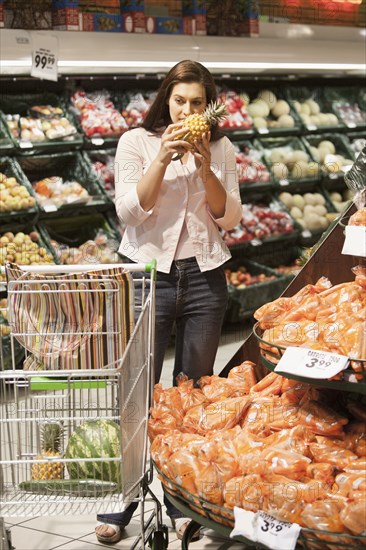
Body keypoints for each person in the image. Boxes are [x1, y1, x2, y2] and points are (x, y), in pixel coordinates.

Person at [95, 59, 242, 544]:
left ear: (208, 105)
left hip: (205, 279)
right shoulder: (135, 143)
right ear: (166, 101)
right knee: (137, 392)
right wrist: (163, 156)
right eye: (180, 101)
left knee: (196, 394)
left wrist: (204, 167)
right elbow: (129, 212)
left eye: (197, 103)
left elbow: (229, 219)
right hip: (148, 277)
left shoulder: (220, 148)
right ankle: (124, 499)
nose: (187, 110)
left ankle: (186, 500)